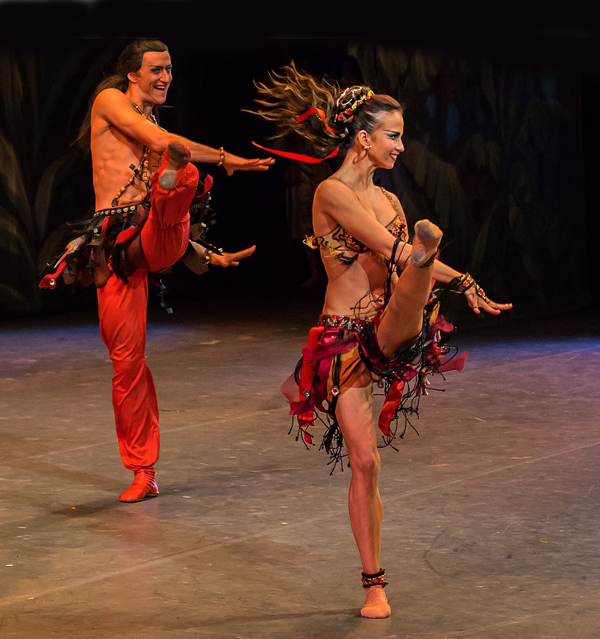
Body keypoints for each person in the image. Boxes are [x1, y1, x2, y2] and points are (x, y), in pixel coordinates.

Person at [249, 62, 512, 618]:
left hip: (387, 329)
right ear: (363, 139)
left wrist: (451, 278)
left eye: (401, 134)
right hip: (341, 345)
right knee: (365, 463)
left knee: (408, 293)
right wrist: (451, 274)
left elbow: (395, 259)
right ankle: (374, 583)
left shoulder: (390, 201)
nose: (401, 144)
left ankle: (424, 269)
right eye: (392, 135)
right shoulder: (332, 192)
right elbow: (386, 251)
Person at [40, 39, 273, 504]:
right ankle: (143, 470)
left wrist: (206, 254)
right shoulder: (110, 101)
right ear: (132, 74)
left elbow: (165, 144)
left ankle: (178, 179)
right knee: (126, 362)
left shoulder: (153, 119)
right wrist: (228, 160)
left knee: (178, 183)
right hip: (115, 245)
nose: (166, 76)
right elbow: (162, 142)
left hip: (155, 230)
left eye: (170, 69)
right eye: (156, 69)